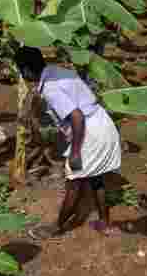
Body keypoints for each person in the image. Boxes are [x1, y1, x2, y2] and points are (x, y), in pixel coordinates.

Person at [15, 46, 122, 239]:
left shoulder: (50, 88)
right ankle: (104, 224)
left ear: (26, 70)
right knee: (95, 177)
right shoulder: (57, 72)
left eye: (20, 71)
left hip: (90, 130)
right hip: (101, 122)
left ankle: (56, 227)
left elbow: (77, 116)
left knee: (74, 181)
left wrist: (75, 152)